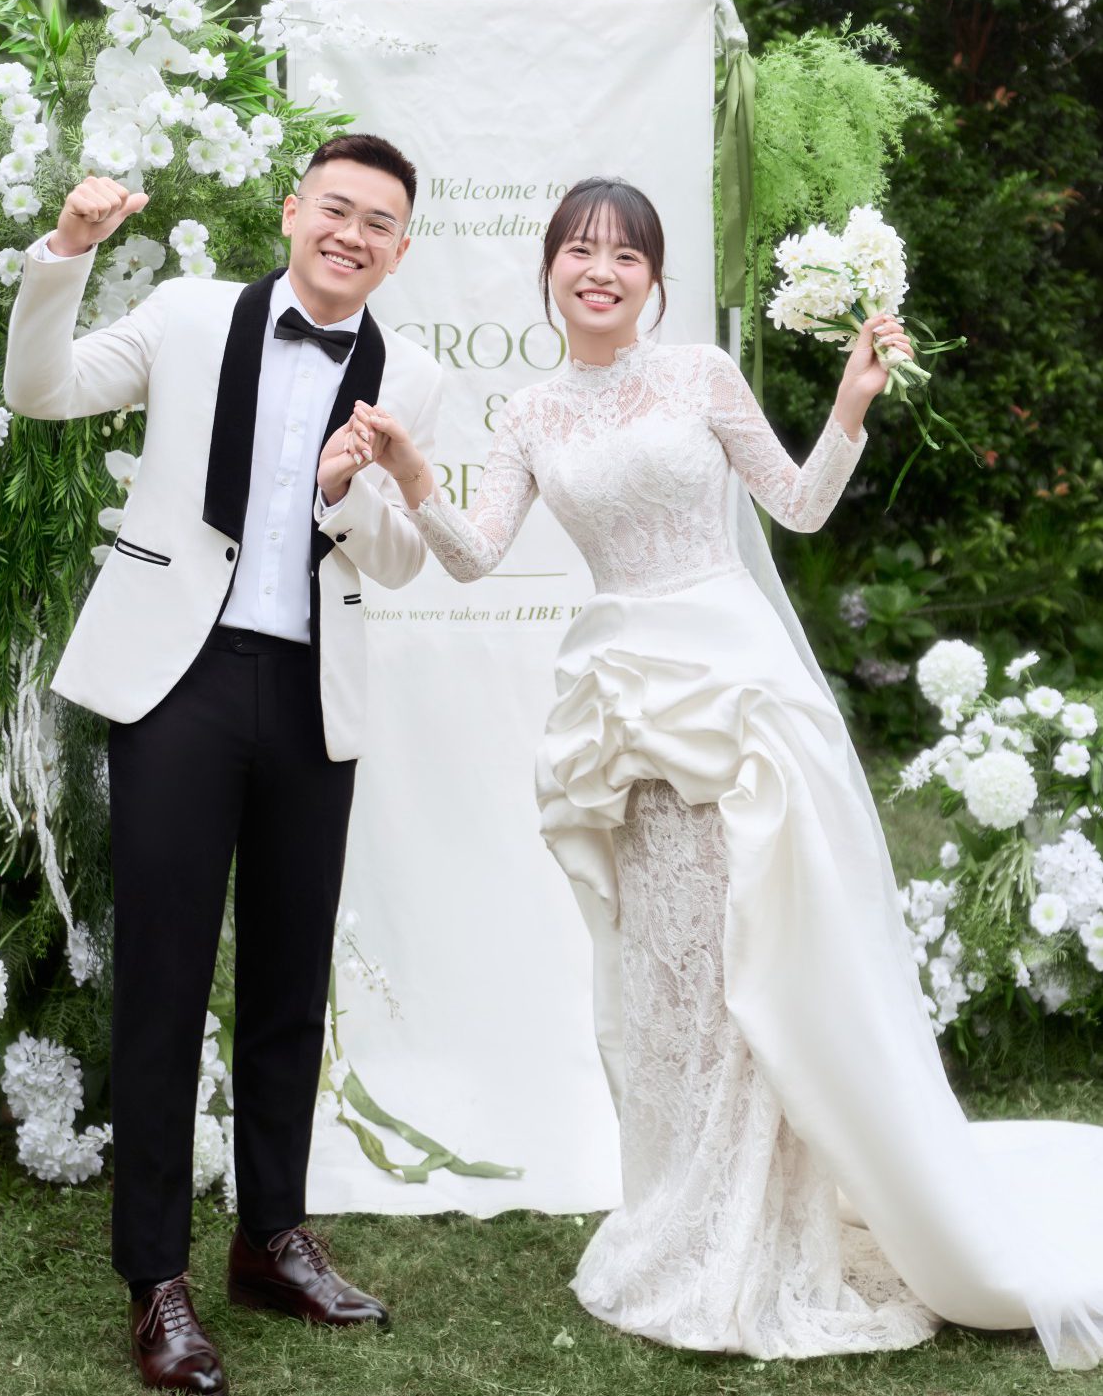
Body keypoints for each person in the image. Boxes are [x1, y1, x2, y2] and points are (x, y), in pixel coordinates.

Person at [335, 177, 1103, 1366]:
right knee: (670, 973)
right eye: (580, 249)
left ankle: (773, 1225)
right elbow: (476, 557)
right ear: (550, 270)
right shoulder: (530, 412)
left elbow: (797, 506)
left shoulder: (700, 375)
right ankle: (689, 1217)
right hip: (626, 708)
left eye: (625, 254)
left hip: (735, 692)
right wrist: (413, 474)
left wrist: (848, 407)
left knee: (762, 956)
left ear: (653, 278)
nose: (600, 269)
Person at [4, 133, 442, 1394]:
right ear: (294, 210)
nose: (352, 234)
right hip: (178, 678)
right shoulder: (191, 314)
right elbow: (41, 387)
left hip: (312, 691)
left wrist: (350, 493)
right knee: (164, 977)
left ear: (401, 250)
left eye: (379, 223)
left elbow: (401, 557)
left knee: (292, 977)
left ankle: (271, 1237)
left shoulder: (412, 371)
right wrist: (66, 252)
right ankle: (157, 1277)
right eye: (336, 208)